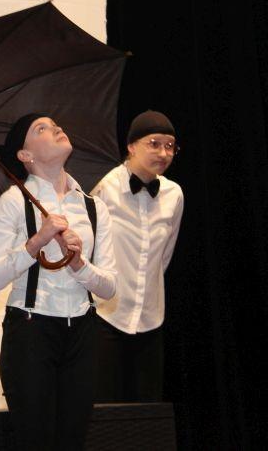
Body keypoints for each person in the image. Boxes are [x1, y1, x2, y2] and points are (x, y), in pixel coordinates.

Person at [0, 114, 117, 450]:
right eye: (40, 128)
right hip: (31, 330)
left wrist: (79, 264)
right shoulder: (13, 202)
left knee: (73, 439)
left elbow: (110, 287)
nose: (56, 128)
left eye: (55, 124)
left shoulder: (94, 207)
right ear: (25, 155)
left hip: (83, 330)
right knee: (35, 438)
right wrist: (36, 242)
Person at [90, 110, 184, 402]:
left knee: (148, 409)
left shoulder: (174, 194)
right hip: (107, 315)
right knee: (105, 408)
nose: (163, 153)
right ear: (131, 146)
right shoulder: (105, 188)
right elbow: (91, 251)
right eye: (154, 144)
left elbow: (164, 256)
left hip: (150, 316)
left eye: (170, 146)